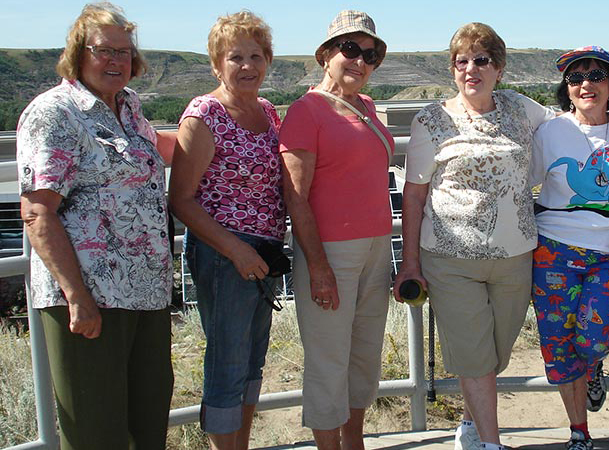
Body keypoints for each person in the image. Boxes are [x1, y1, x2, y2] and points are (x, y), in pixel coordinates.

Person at [16, 3, 174, 449]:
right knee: (96, 433)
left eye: (124, 51)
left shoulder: (128, 106)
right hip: (92, 299)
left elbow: (161, 150)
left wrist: (223, 126)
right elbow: (37, 212)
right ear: (78, 53)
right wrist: (77, 297)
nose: (116, 60)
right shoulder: (55, 113)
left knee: (148, 427)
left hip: (146, 293)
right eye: (104, 50)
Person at [392, 22, 555, 450]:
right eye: (461, 61)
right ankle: (491, 443)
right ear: (452, 69)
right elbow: (414, 193)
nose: (471, 69)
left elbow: (569, 126)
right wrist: (410, 263)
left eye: (481, 60)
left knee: (494, 354)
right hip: (450, 259)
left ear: (499, 68)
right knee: (474, 355)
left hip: (515, 256)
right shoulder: (432, 120)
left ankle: (469, 422)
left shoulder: (522, 109)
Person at [168, 11, 284, 450]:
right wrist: (236, 250)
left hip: (264, 252)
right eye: (236, 57)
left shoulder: (267, 111)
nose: (247, 65)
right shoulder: (204, 115)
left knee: (253, 364)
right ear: (217, 64)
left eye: (256, 56)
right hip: (224, 254)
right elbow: (181, 199)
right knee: (228, 364)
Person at [279, 10, 394, 450]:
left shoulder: (367, 107)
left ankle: (354, 442)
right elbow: (296, 197)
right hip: (330, 252)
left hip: (376, 247)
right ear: (326, 54)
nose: (360, 61)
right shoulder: (306, 111)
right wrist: (318, 267)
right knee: (328, 360)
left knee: (364, 355)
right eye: (350, 49)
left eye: (370, 55)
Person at [528, 45, 609, 450]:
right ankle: (579, 432)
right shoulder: (550, 131)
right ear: (566, 88)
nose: (585, 84)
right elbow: (521, 183)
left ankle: (593, 366)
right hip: (554, 248)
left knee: (592, 339)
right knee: (558, 345)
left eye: (595, 76)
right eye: (575, 78)